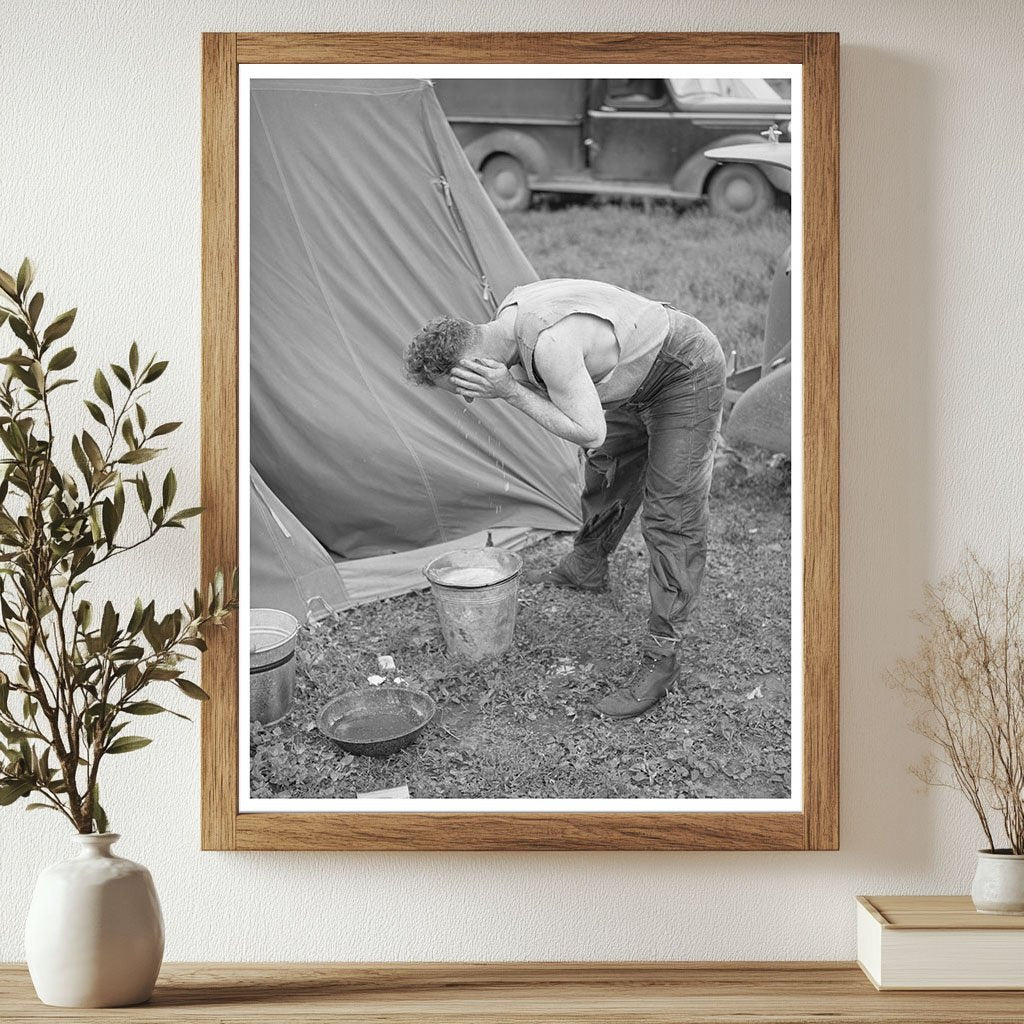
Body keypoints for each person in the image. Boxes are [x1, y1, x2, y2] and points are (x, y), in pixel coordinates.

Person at [404, 278, 726, 719]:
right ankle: (586, 566)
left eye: (460, 384)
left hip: (684, 370)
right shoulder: (507, 318)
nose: (466, 395)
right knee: (606, 469)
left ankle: (661, 657)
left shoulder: (550, 344)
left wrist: (512, 392)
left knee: (673, 512)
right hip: (636, 378)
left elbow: (588, 429)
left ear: (471, 362)